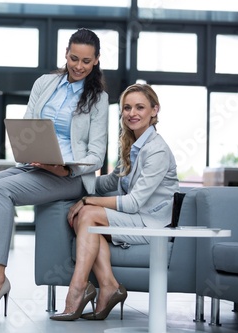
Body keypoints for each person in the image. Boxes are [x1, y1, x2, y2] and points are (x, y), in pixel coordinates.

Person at [0, 28, 109, 318]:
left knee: (0, 190)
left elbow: (96, 155)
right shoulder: (45, 83)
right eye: (74, 58)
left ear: (96, 61)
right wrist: (33, 151)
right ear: (66, 54)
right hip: (36, 165)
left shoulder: (98, 99)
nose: (79, 66)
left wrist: (65, 166)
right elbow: (28, 126)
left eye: (86, 61)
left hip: (70, 177)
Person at [50, 83, 179, 321]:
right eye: (127, 108)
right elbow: (110, 182)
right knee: (86, 218)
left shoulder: (157, 151)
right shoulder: (132, 146)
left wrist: (88, 200)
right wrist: (72, 174)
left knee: (87, 215)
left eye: (140, 107)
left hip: (151, 224)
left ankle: (77, 289)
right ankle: (108, 286)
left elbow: (133, 203)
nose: (132, 113)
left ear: (154, 110)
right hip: (134, 218)